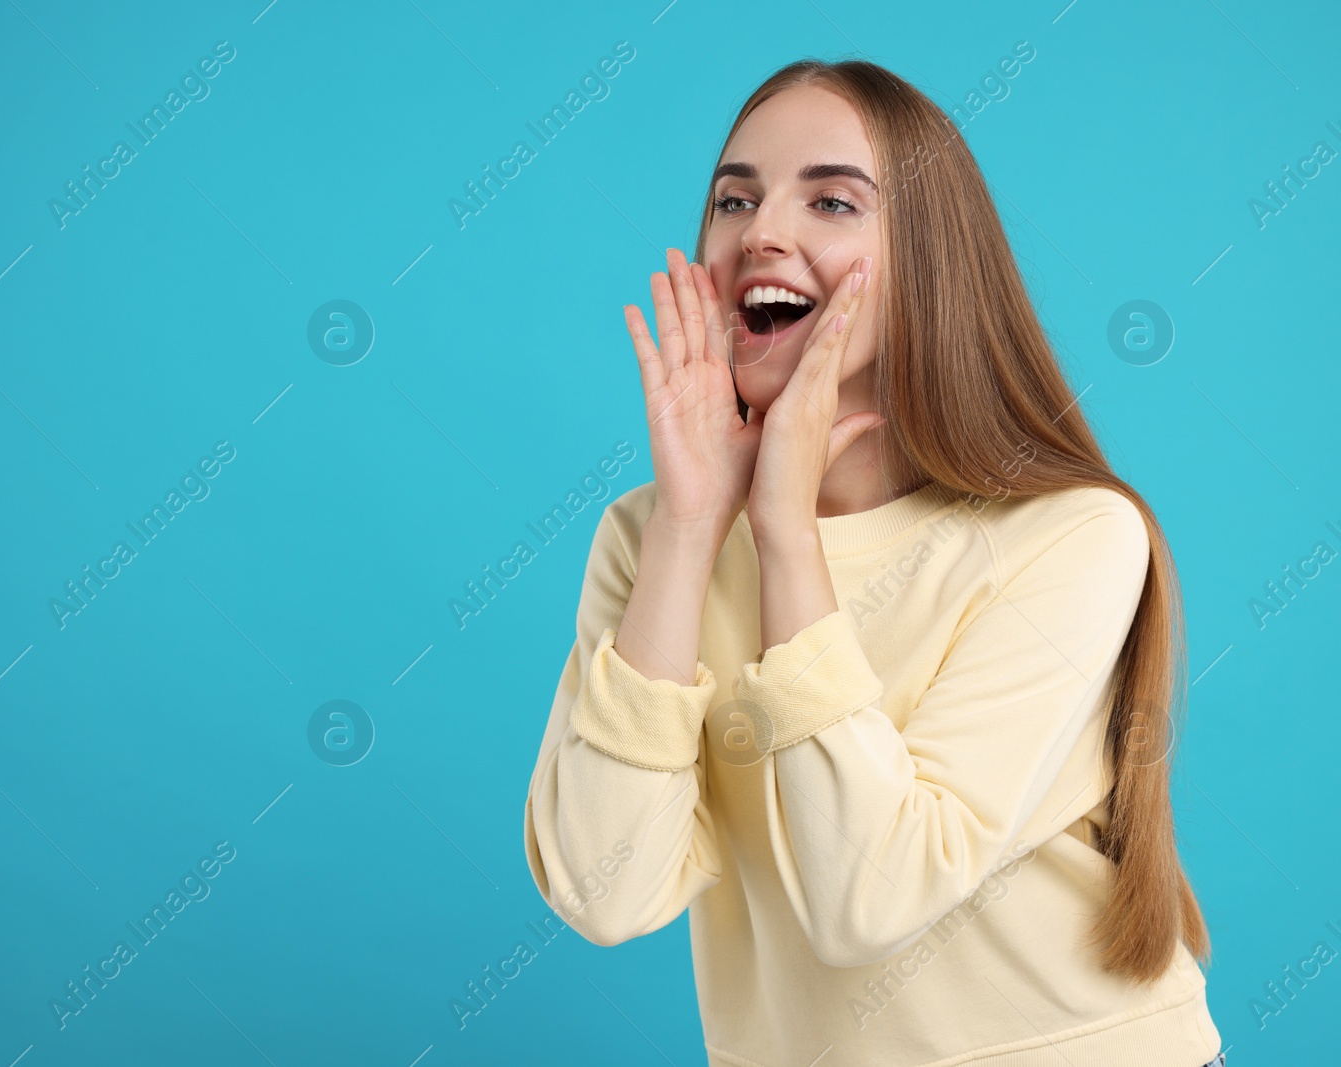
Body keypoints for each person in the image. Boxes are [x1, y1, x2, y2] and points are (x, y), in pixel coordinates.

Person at [522, 58, 1224, 1066]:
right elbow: (603, 888)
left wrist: (786, 537)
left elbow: (869, 899)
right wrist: (687, 530)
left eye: (832, 199)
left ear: (930, 263)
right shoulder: (648, 537)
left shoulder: (1070, 535)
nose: (761, 230)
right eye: (734, 198)